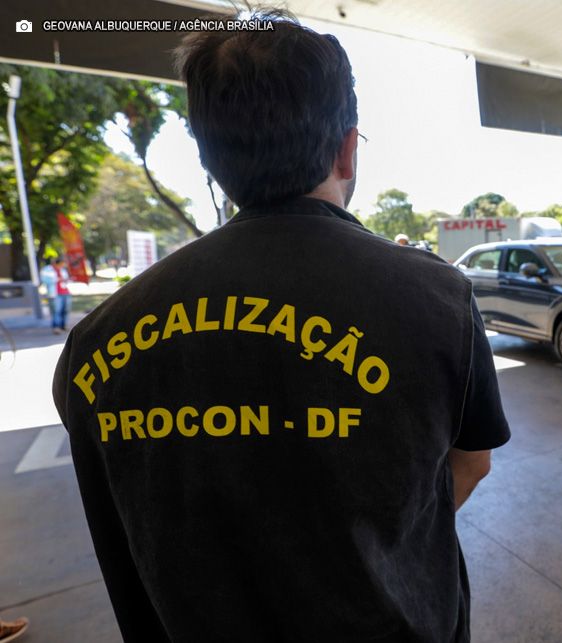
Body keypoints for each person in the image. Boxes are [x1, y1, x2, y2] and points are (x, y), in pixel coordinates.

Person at [52, 11, 509, 642]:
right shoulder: (435, 299)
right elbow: (472, 463)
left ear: (211, 160)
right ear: (347, 149)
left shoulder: (96, 342)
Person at [40, 257, 72, 334]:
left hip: (65, 292)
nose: (62, 266)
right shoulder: (47, 270)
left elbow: (65, 278)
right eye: (61, 264)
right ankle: (56, 327)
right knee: (56, 310)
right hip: (54, 293)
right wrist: (56, 279)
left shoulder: (63, 270)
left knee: (65, 309)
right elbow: (44, 280)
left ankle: (63, 325)